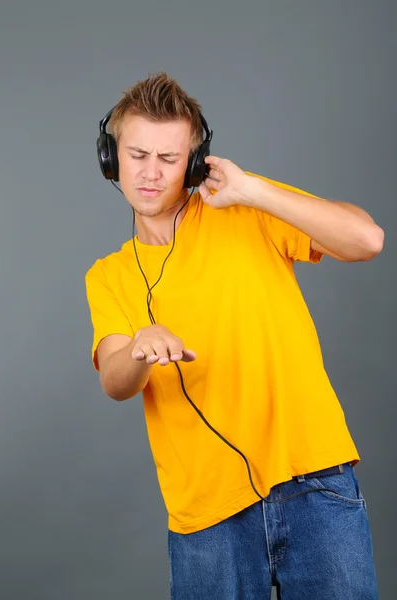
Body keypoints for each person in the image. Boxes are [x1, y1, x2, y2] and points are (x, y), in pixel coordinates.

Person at [85, 72, 382, 599]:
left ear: (195, 164)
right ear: (111, 157)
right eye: (137, 155)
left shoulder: (246, 210)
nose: (151, 173)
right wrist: (139, 348)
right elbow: (114, 379)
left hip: (314, 481)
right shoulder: (108, 275)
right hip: (205, 513)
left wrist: (254, 190)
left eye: (169, 159)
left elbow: (366, 239)